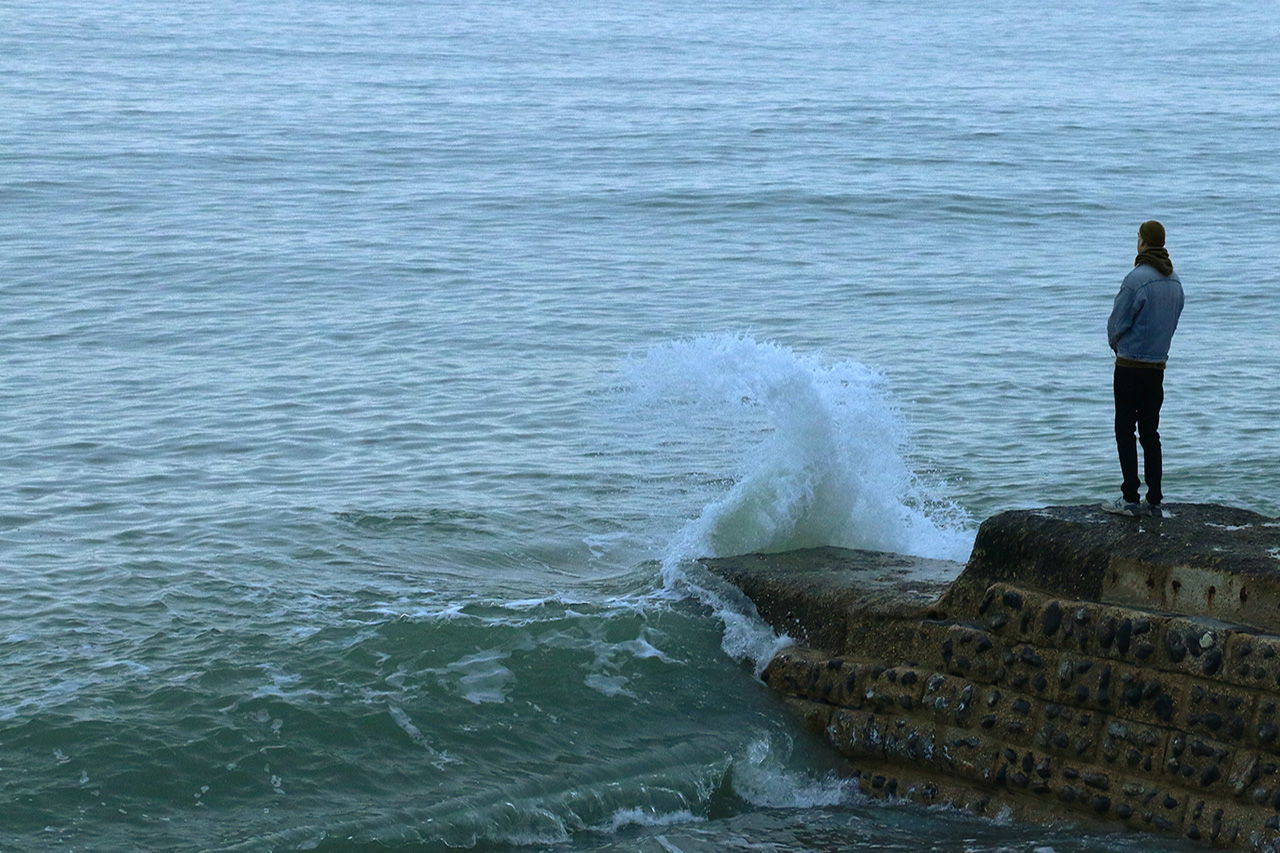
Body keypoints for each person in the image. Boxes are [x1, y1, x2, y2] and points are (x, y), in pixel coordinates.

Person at [1102, 220, 1185, 518]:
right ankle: (1155, 500)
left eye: (1138, 238)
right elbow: (1172, 324)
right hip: (1156, 368)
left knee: (1125, 429)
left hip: (1129, 366)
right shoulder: (1174, 281)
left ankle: (1129, 497)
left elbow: (1117, 323)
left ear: (1143, 243)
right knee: (1150, 431)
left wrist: (1116, 345)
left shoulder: (1136, 279)